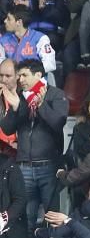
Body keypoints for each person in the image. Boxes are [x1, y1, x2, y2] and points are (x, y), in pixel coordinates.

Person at [0, 59, 68, 228]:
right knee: (26, 217)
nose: (20, 79)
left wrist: (41, 104)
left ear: (38, 75)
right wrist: (15, 108)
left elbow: (58, 122)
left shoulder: (56, 94)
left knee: (51, 218)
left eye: (24, 75)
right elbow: (8, 128)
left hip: (48, 166)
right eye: (19, 75)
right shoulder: (21, 97)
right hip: (24, 166)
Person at [0, 7, 56, 77]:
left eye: (9, 19)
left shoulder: (40, 38)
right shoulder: (3, 40)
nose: (5, 21)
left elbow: (50, 64)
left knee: (39, 87)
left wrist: (29, 72)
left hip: (35, 80)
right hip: (11, 80)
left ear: (19, 22)